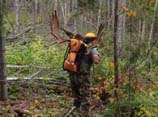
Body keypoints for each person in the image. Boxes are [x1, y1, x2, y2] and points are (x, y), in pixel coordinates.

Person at [69, 32, 101, 116]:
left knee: (76, 93)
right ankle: (84, 113)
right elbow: (96, 61)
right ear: (93, 39)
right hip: (83, 75)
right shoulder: (91, 48)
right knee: (85, 95)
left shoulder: (76, 46)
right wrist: (97, 55)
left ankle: (75, 110)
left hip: (72, 74)